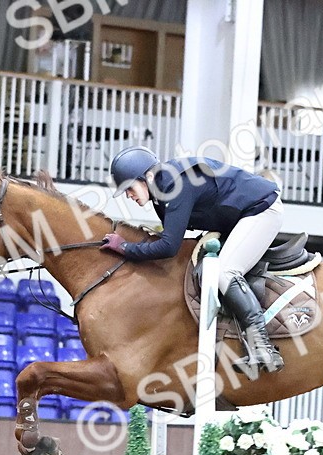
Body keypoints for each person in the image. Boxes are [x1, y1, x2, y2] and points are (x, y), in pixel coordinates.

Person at [102, 146, 285, 374]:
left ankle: (263, 347)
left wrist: (125, 247)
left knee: (224, 272)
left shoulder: (175, 185)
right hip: (235, 218)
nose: (128, 195)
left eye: (129, 187)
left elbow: (169, 247)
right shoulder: (161, 193)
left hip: (261, 210)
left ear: (147, 177)